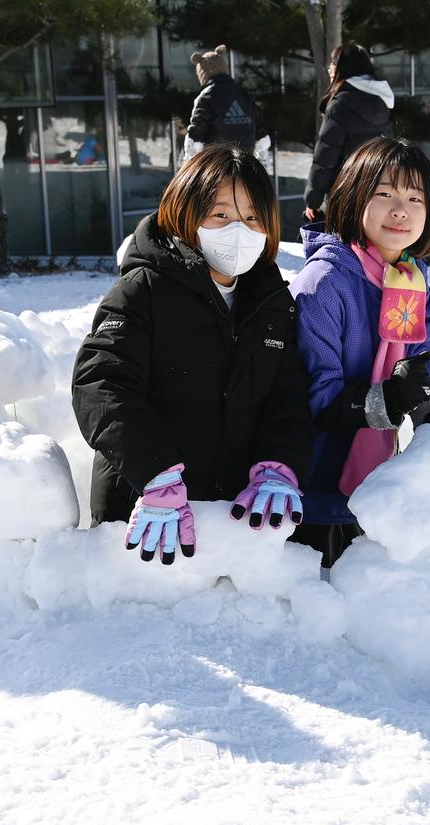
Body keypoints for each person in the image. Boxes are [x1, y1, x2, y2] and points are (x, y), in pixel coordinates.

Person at [71, 146, 313, 566]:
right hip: (144, 515)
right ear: (185, 212)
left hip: (229, 524)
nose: (239, 229)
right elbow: (101, 383)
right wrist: (155, 473)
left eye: (253, 217)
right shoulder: (143, 290)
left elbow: (287, 396)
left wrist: (279, 463)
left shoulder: (272, 303)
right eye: (221, 215)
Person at [288, 138, 430, 568]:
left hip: (374, 484)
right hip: (310, 487)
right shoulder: (324, 284)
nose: (401, 210)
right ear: (354, 197)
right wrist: (388, 399)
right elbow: (310, 396)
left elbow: (426, 366)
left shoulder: (410, 281)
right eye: (385, 194)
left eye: (415, 198)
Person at [301, 44, 394, 225]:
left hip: (344, 192)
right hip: (375, 191)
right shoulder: (384, 101)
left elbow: (326, 157)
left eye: (333, 63)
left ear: (344, 67)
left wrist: (313, 201)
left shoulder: (340, 105)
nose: (330, 68)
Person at [183, 45, 271, 168]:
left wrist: (190, 165)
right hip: (245, 162)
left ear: (203, 74)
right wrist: (263, 162)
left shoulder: (205, 98)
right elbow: (260, 131)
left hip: (217, 164)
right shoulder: (244, 94)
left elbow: (195, 136)